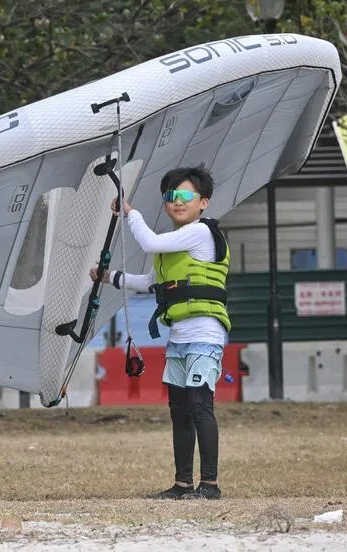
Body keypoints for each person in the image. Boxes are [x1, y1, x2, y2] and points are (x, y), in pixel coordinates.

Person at [90, 165, 230, 501]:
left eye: (185, 196)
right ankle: (182, 485)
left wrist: (129, 211)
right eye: (170, 197)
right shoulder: (174, 249)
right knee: (179, 410)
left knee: (200, 406)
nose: (176, 202)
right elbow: (149, 283)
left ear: (203, 203)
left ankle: (209, 486)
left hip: (205, 335)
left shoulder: (200, 233)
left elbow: (149, 241)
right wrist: (109, 277)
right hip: (179, 339)